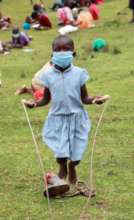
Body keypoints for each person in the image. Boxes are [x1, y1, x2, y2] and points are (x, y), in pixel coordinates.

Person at [24, 35, 107, 186]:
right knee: (60, 151)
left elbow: (85, 98)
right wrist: (34, 104)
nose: (62, 53)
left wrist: (95, 99)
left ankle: (72, 166)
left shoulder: (79, 73)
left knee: (77, 152)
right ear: (52, 54)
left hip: (77, 118)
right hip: (57, 118)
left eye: (66, 49)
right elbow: (46, 99)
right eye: (58, 50)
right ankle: (62, 167)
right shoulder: (47, 76)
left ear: (73, 53)